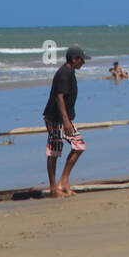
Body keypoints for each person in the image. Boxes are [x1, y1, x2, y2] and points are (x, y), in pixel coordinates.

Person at [42, 45, 90, 196]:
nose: (83, 63)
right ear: (74, 59)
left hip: (64, 119)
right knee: (54, 152)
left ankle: (63, 181)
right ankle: (53, 188)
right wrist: (66, 121)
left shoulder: (70, 72)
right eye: (81, 60)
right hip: (56, 119)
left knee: (79, 146)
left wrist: (67, 120)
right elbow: (59, 97)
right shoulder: (64, 73)